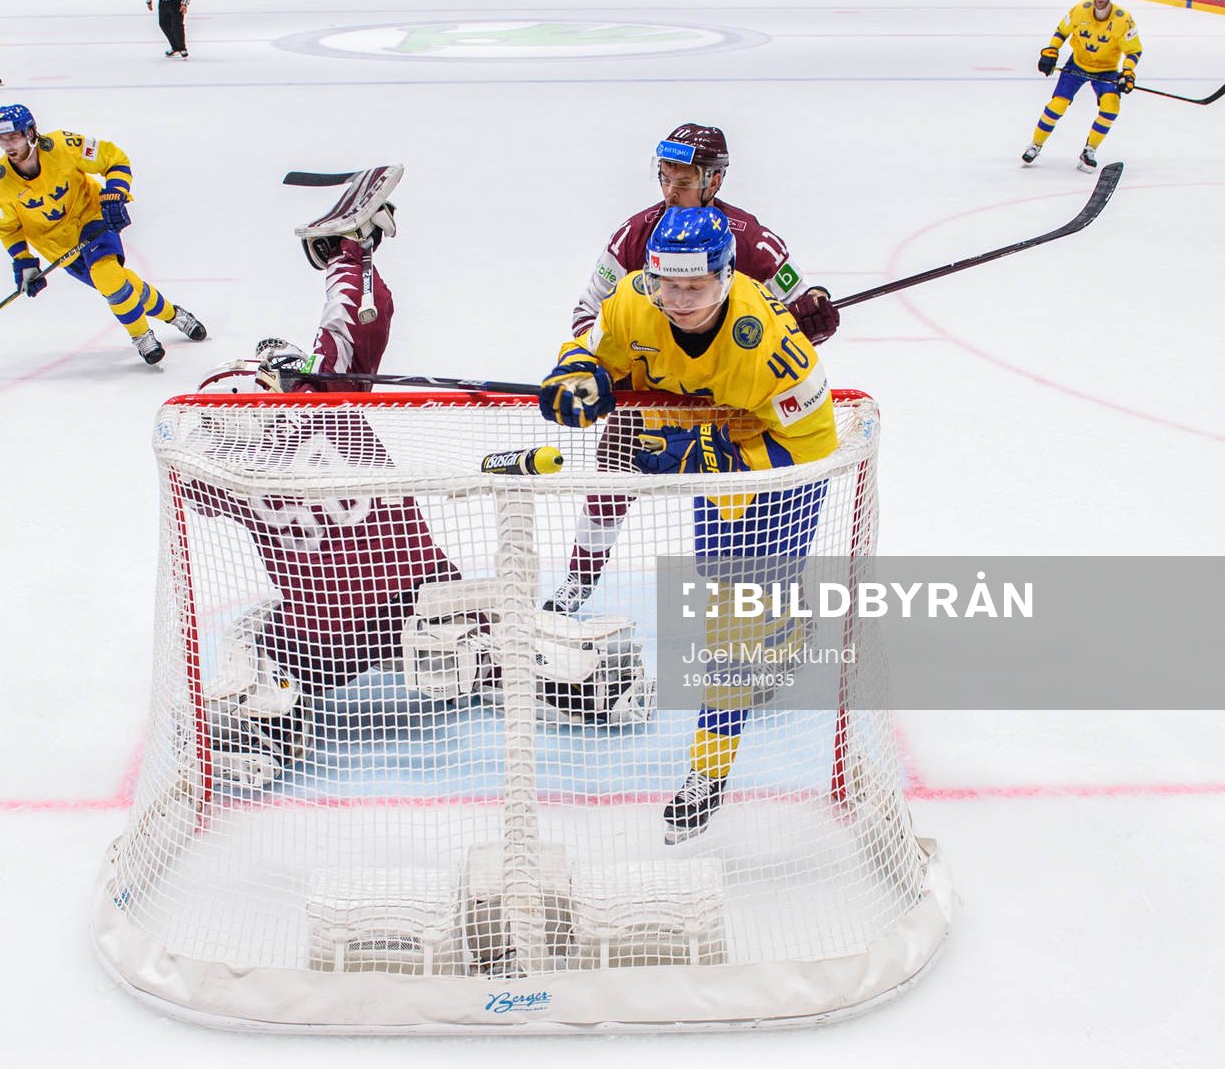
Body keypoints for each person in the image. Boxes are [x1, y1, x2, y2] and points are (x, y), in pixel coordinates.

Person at [184, 183, 648, 788]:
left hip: (322, 631)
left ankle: (262, 724)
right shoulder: (329, 408)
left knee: (257, 630)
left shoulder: (220, 471)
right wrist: (351, 255)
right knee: (478, 636)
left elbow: (197, 479)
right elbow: (351, 327)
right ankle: (583, 677)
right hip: (420, 597)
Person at [537, 205, 836, 842]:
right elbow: (593, 346)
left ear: (726, 277)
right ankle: (780, 623)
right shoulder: (634, 300)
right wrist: (578, 372)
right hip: (711, 443)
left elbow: (814, 439)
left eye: (694, 288)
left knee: (733, 628)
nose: (677, 300)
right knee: (722, 593)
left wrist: (721, 449)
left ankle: (709, 772)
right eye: (668, 285)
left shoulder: (766, 346)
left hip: (780, 465)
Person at [552, 123, 839, 614]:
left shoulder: (751, 241)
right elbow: (588, 315)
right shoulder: (636, 235)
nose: (671, 189)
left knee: (744, 519)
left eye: (683, 179)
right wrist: (600, 371)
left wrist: (816, 312)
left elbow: (797, 318)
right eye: (665, 176)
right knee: (610, 483)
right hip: (652, 391)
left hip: (730, 404)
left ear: (714, 180)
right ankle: (580, 579)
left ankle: (775, 602)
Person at [0, 104, 206, 365]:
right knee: (118, 284)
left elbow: (113, 158)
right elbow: (5, 228)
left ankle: (142, 336)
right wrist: (23, 260)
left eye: (13, 137)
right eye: (1, 139)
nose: (8, 145)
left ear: (30, 133)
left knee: (107, 276)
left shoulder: (63, 145)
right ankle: (174, 314)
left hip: (91, 217)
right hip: (57, 245)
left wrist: (115, 191)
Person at [1022, 0, 1142, 172]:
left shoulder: (1123, 19)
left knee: (1111, 108)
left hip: (1107, 71)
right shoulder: (1080, 10)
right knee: (1057, 105)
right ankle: (1035, 145)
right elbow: (1062, 31)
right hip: (1077, 65)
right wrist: (1052, 50)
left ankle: (1089, 150)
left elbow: (1134, 50)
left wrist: (1127, 72)